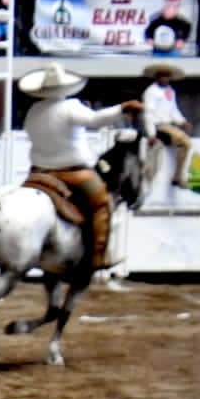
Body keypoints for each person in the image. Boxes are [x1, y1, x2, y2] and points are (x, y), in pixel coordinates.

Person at [18, 63, 142, 271]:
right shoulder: (71, 107)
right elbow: (96, 120)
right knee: (103, 203)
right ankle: (98, 257)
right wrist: (122, 109)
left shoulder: (34, 111)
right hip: (73, 173)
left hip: (38, 173)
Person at [141, 63, 193, 189]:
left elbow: (173, 110)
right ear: (157, 77)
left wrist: (182, 121)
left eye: (167, 76)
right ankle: (178, 177)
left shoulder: (170, 91)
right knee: (186, 142)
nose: (165, 78)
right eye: (162, 76)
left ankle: (177, 175)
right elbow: (148, 113)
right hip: (159, 126)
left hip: (169, 125)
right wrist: (151, 133)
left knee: (186, 144)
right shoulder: (151, 91)